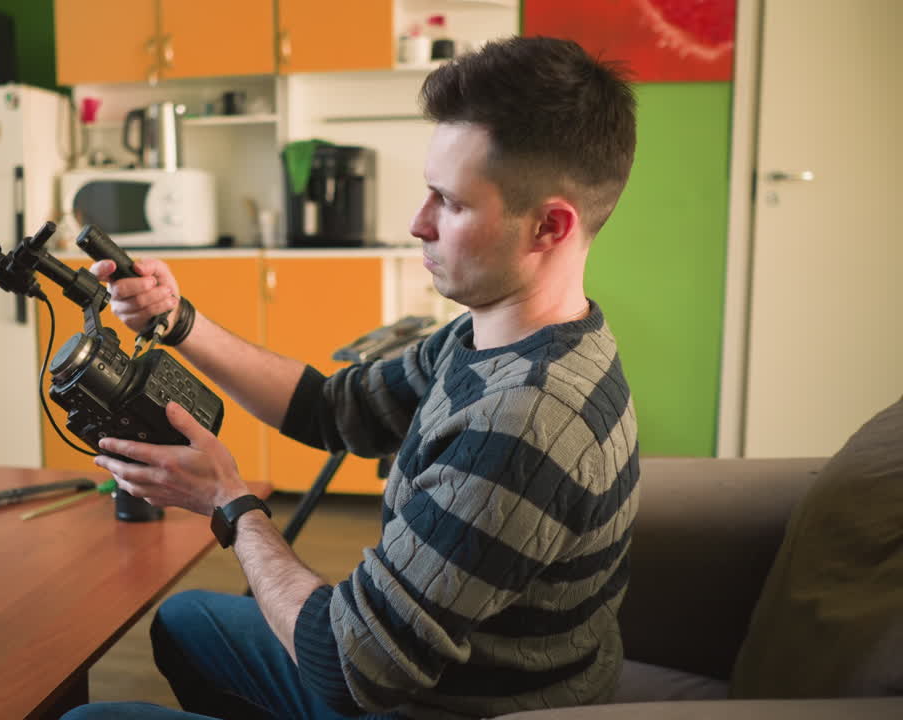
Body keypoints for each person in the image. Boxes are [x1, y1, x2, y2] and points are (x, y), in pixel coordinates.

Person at [63, 35, 640, 720]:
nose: (416, 223)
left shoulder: (520, 424)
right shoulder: (502, 336)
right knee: (185, 618)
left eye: (449, 204)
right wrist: (179, 320)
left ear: (549, 226)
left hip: (428, 703)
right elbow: (335, 409)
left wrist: (230, 504)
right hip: (420, 671)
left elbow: (349, 669)